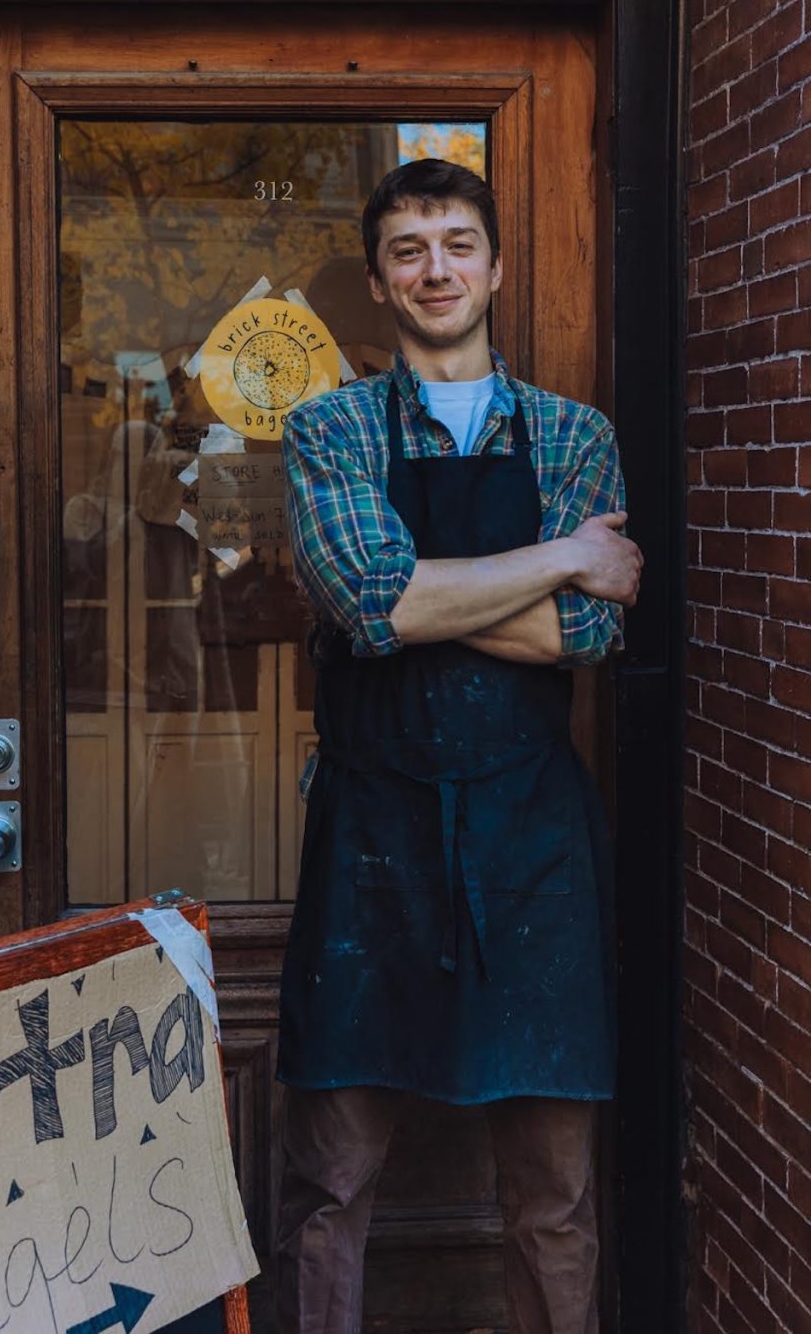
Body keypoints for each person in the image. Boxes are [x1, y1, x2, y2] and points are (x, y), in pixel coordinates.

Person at [275, 159, 643, 1334]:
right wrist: (556, 558)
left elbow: (584, 635)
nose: (435, 268)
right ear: (380, 283)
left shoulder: (576, 434)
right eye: (407, 250)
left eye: (455, 243)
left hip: (533, 843)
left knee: (554, 1197)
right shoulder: (327, 426)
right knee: (330, 1183)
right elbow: (368, 601)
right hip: (370, 844)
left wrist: (429, 602)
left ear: (492, 265)